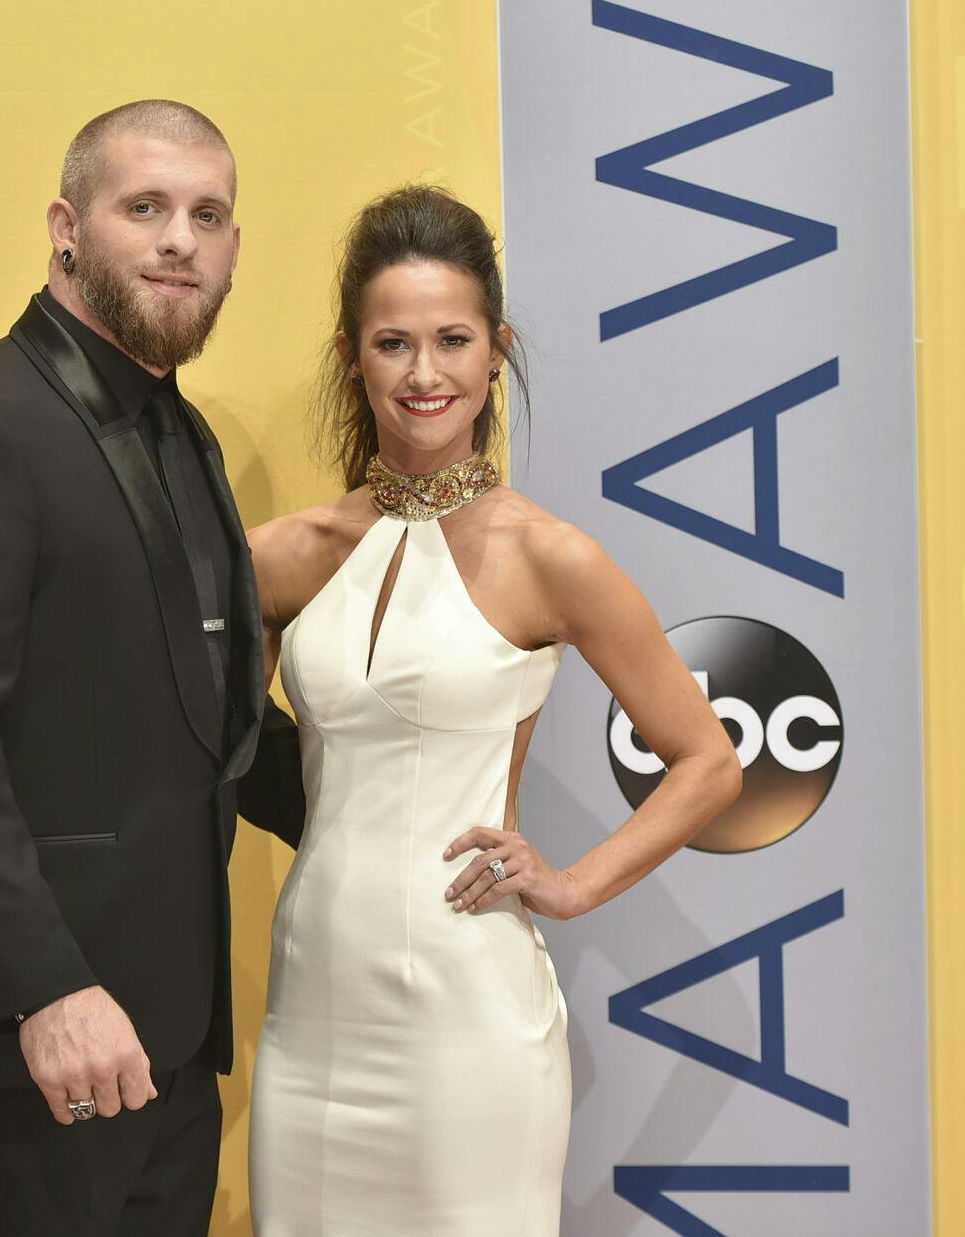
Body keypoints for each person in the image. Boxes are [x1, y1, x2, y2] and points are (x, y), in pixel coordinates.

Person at [245, 185, 743, 1234]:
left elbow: (709, 761)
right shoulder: (283, 557)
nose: (424, 374)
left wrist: (569, 885)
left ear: (495, 349)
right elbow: (201, 742)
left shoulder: (548, 556)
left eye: (453, 340)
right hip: (310, 1013)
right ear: (352, 356)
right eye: (393, 343)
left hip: (468, 1014)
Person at [0, 100, 306, 1236]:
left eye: (209, 215)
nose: (179, 240)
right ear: (66, 227)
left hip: (168, 1047)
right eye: (143, 207)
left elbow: (214, 725)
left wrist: (407, 813)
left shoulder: (182, 439)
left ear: (236, 250)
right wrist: (45, 988)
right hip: (23, 1046)